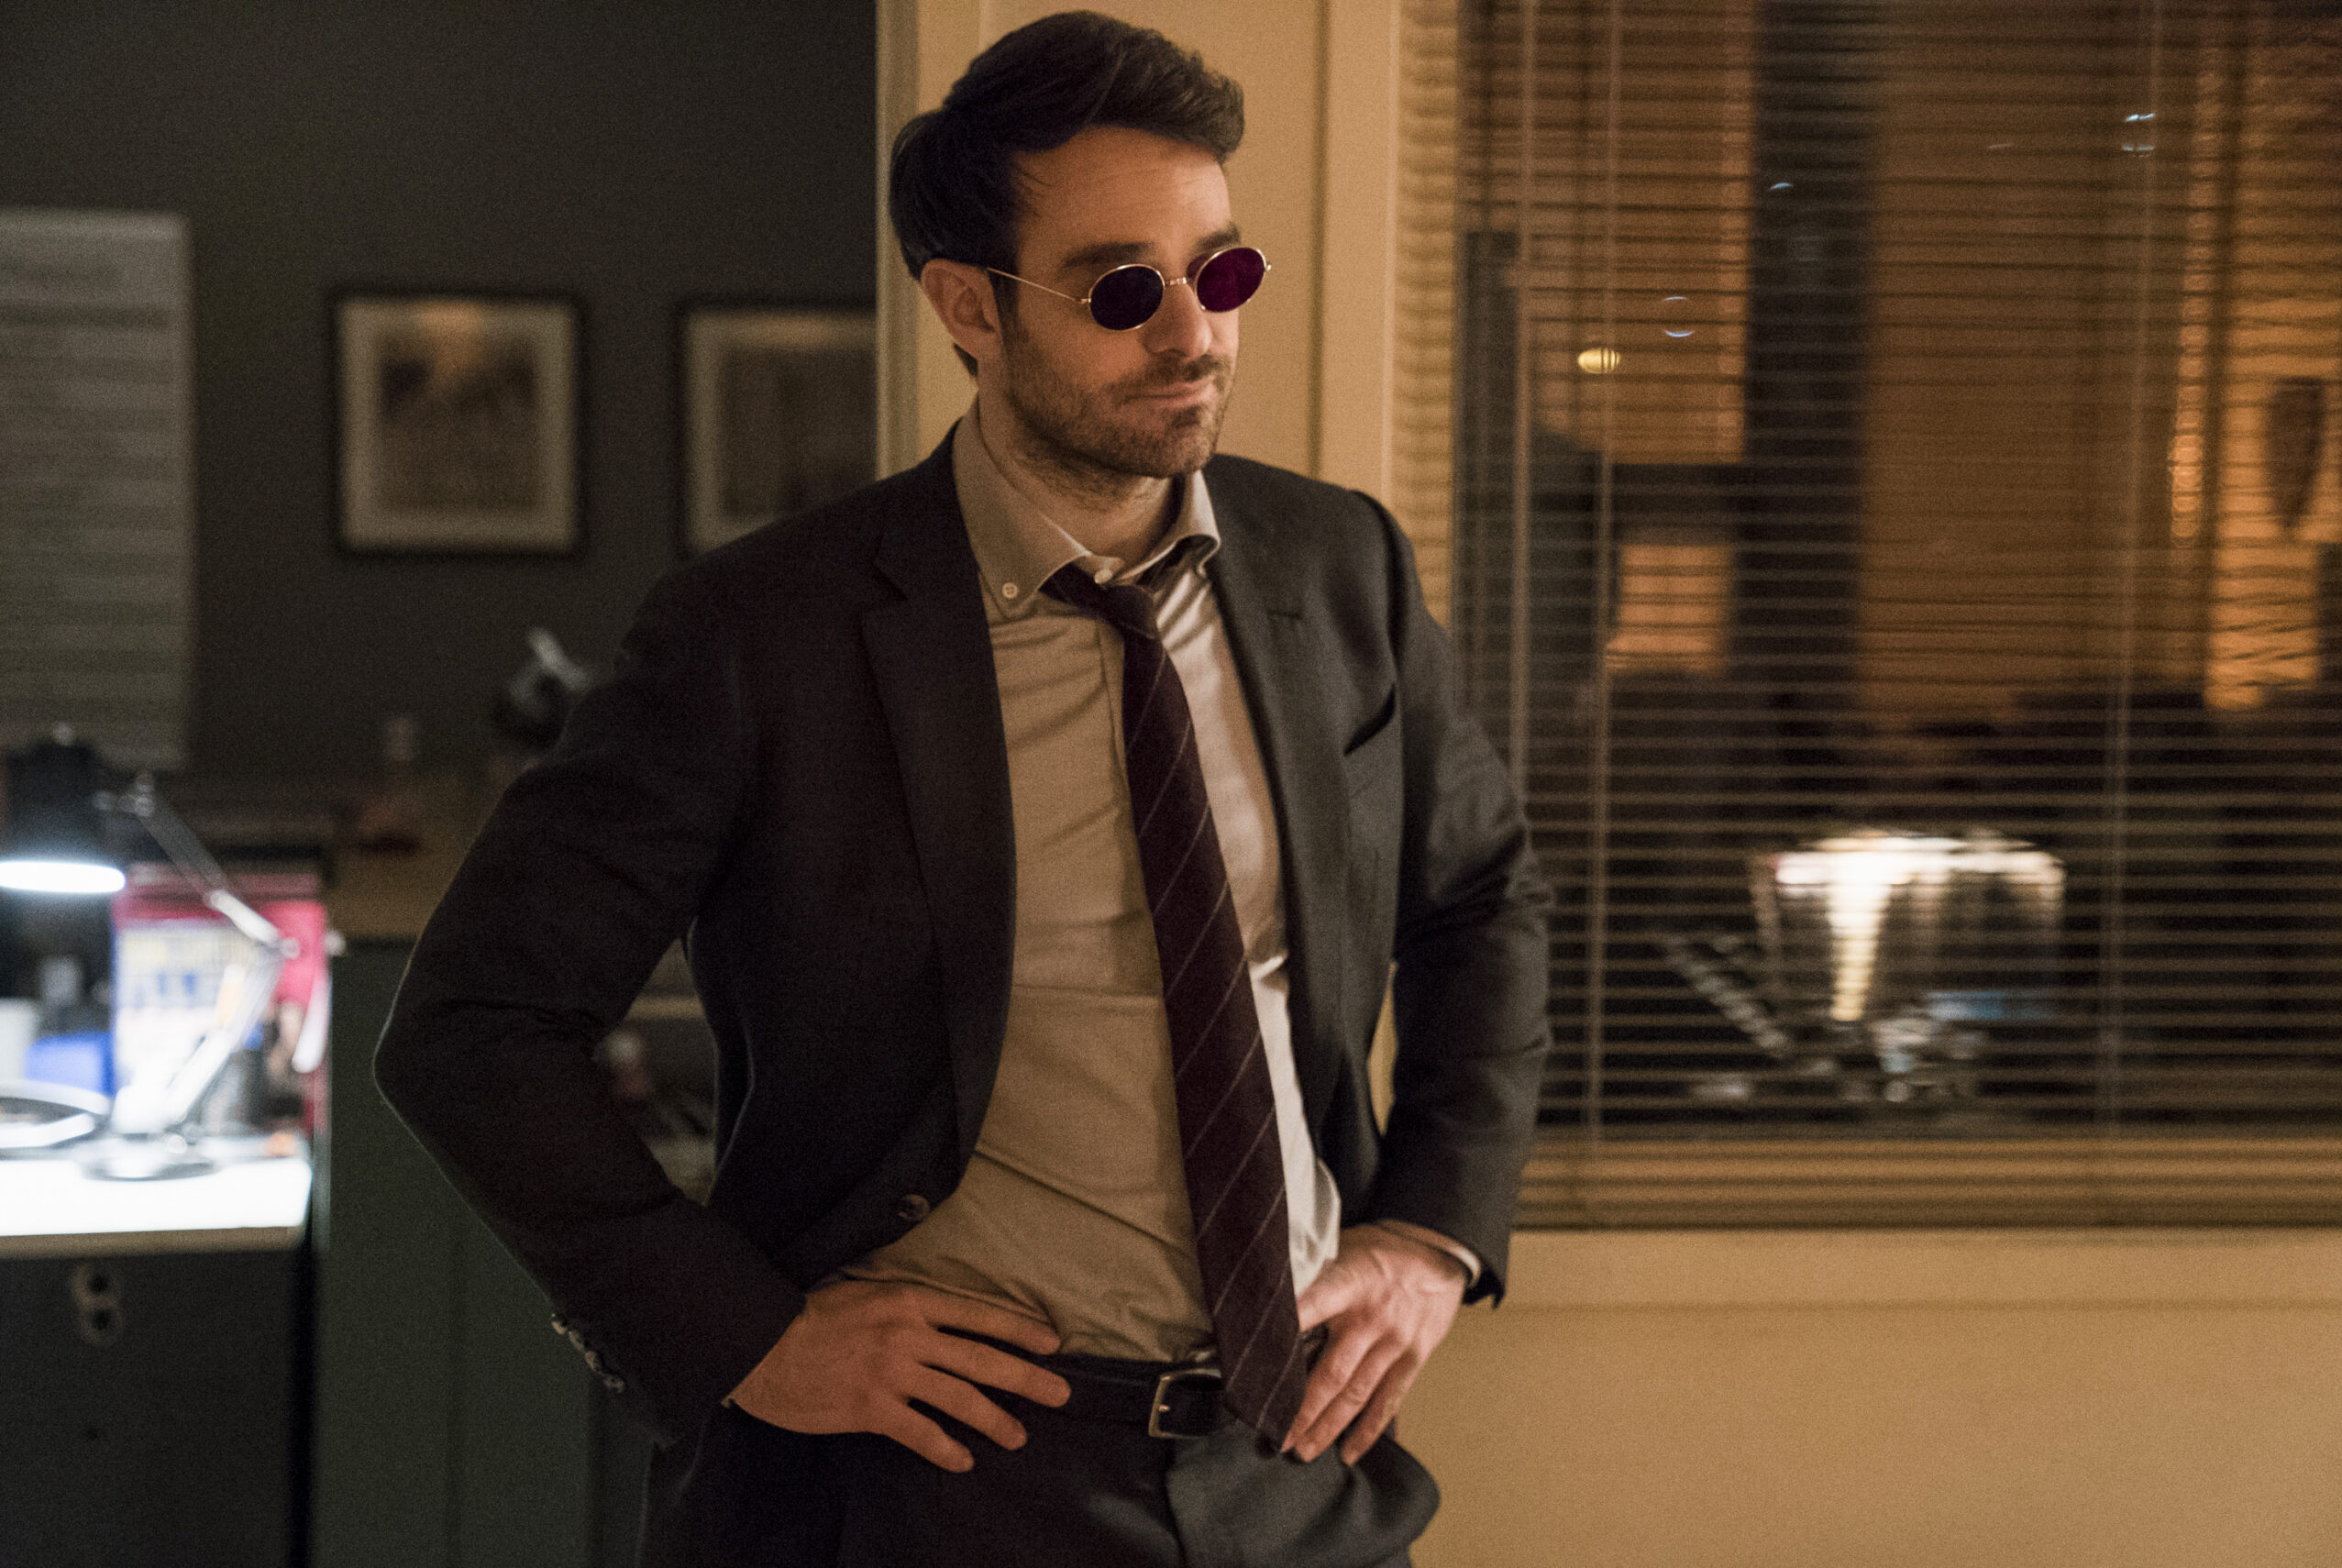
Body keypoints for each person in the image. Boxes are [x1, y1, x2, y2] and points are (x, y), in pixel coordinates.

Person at [374, 12, 1550, 1566]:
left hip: (1297, 1463)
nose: (1195, 334)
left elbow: (1480, 899)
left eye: (1223, 273)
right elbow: (474, 1027)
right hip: (934, 1481)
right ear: (967, 305)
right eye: (1123, 289)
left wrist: (1435, 1231)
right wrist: (745, 1336)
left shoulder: (1341, 571)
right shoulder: (761, 634)